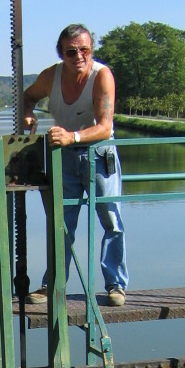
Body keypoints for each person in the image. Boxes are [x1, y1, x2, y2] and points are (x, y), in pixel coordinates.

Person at [23, 23, 128, 306]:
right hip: (64, 156)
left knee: (111, 219)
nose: (79, 56)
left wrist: (74, 136)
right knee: (62, 223)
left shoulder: (102, 76)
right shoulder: (50, 77)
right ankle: (53, 285)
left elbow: (105, 127)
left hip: (99, 155)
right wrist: (28, 114)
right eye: (71, 52)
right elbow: (27, 96)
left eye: (85, 50)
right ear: (61, 54)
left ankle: (115, 285)